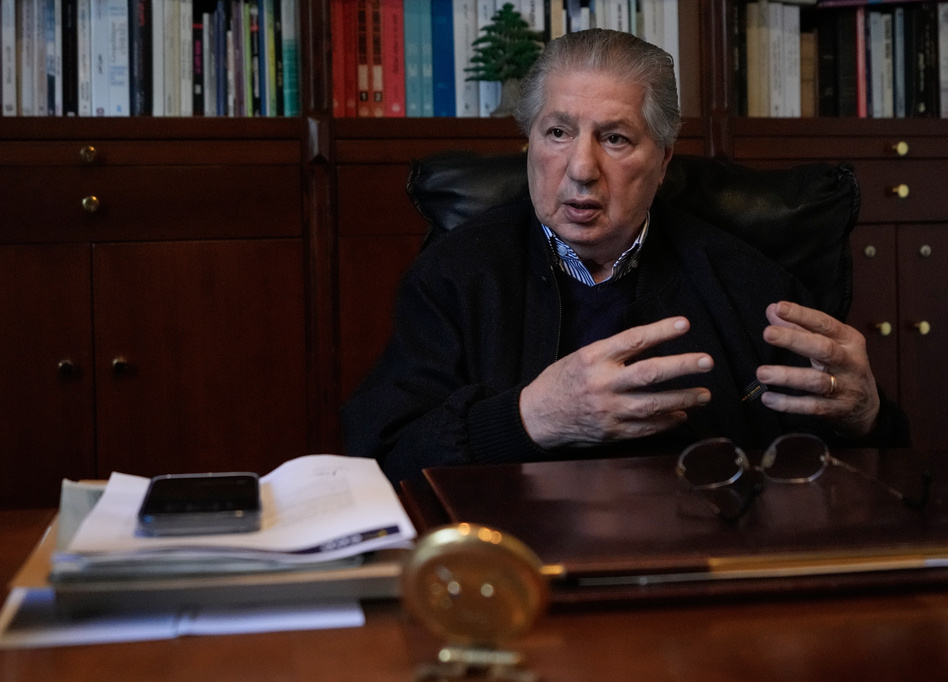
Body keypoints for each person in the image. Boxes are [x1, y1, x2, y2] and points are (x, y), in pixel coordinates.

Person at [342, 29, 908, 486]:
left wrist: (869, 421)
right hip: (514, 562)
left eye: (615, 138)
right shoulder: (455, 274)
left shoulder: (750, 283)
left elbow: (850, 479)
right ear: (530, 143)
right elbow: (381, 458)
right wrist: (530, 416)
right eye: (558, 132)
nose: (581, 168)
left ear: (663, 162)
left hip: (698, 560)